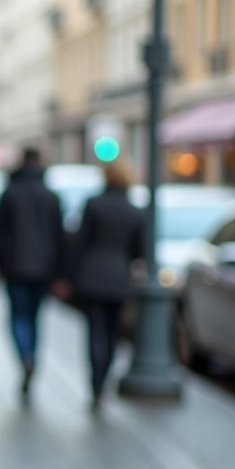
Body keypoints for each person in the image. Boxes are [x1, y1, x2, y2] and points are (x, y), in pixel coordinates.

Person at [65, 161, 144, 410]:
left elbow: (80, 242)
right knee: (111, 334)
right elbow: (139, 250)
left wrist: (70, 274)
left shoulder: (94, 204)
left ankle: (96, 384)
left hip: (92, 276)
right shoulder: (134, 210)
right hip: (119, 278)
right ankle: (104, 377)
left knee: (95, 332)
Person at [0, 147, 65, 400]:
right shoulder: (50, 196)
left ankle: (25, 357)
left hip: (15, 267)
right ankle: (32, 356)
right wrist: (57, 271)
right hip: (43, 270)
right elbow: (59, 236)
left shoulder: (11, 193)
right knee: (34, 317)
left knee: (18, 316)